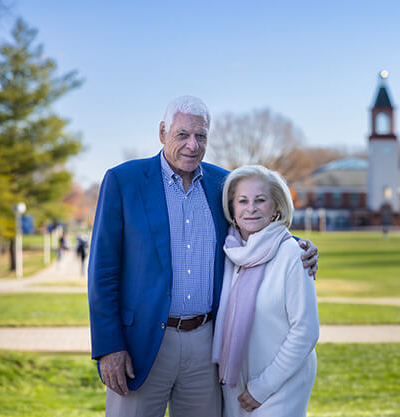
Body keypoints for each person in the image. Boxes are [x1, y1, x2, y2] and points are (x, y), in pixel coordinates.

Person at [87, 95, 318, 417]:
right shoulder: (123, 181)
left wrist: (294, 243)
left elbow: (251, 224)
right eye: (182, 134)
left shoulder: (221, 183)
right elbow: (103, 271)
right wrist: (110, 346)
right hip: (141, 344)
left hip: (206, 344)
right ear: (162, 132)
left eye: (201, 136)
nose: (192, 145)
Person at [213, 165, 319, 417]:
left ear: (276, 208)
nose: (251, 208)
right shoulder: (231, 254)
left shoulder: (293, 254)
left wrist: (262, 387)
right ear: (232, 208)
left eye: (260, 200)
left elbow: (305, 331)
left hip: (281, 385)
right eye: (242, 201)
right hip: (235, 387)